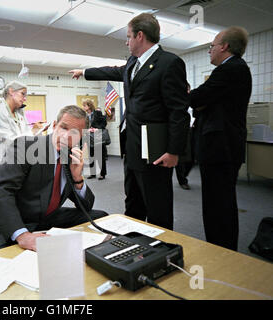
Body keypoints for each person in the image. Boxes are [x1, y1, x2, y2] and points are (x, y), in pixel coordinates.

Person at [69, 13, 190, 230]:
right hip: (133, 147)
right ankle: (133, 246)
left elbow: (179, 112)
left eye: (128, 37)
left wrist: (174, 151)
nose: (126, 42)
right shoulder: (134, 62)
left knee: (157, 207)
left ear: (140, 36)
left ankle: (161, 254)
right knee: (133, 203)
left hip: (155, 150)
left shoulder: (169, 63)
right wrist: (85, 72)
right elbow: (114, 71)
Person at [0, 105, 108, 252]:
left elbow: (86, 207)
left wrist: (77, 178)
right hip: (16, 221)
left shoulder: (70, 157)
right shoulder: (25, 146)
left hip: (46, 218)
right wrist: (22, 235)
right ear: (54, 125)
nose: (67, 136)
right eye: (64, 128)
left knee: (100, 217)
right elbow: (0, 193)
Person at [190, 26, 252, 251]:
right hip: (223, 148)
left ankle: (222, 249)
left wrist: (192, 97)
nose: (210, 51)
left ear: (225, 46)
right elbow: (203, 104)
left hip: (220, 149)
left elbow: (198, 98)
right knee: (219, 201)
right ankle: (221, 246)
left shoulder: (230, 69)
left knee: (219, 204)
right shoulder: (234, 70)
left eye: (212, 46)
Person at [0, 80, 46, 164]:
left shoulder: (19, 113)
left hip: (22, 157)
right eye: (22, 94)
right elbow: (11, 142)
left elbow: (26, 134)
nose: (25, 99)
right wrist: (32, 131)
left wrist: (37, 131)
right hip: (8, 160)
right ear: (11, 91)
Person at [82, 99, 107, 180]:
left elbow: (104, 123)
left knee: (100, 155)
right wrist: (86, 129)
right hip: (89, 136)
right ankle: (92, 173)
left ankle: (102, 174)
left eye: (85, 105)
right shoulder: (84, 115)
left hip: (97, 135)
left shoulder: (97, 112)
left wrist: (97, 128)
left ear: (89, 105)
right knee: (91, 156)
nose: (83, 107)